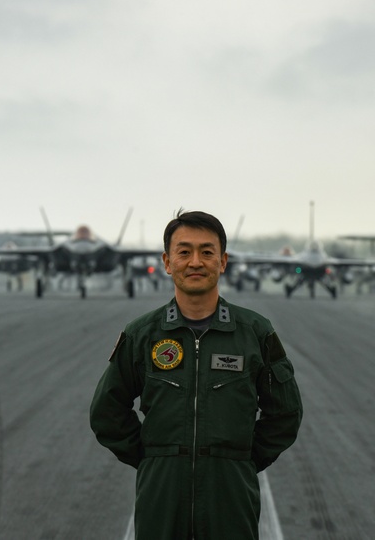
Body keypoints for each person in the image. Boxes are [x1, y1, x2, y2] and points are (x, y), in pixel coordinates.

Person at [89, 210, 303, 539]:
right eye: (184, 251)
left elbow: (285, 412)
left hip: (231, 494)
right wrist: (153, 459)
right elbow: (107, 410)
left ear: (223, 261)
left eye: (207, 252)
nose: (195, 262)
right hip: (160, 493)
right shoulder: (143, 334)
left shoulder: (255, 333)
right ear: (167, 261)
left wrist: (241, 460)